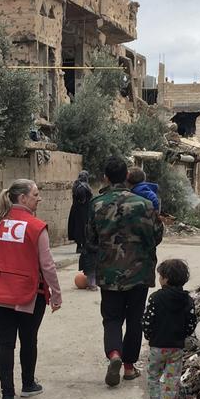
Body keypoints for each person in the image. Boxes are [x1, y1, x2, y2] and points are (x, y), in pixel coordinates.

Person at [0, 179, 62, 399]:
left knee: (5, 342)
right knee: (28, 339)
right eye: (36, 194)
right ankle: (28, 384)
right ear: (23, 198)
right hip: (28, 294)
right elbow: (48, 266)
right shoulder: (36, 227)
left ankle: (7, 396)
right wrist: (56, 294)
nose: (39, 198)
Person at [85, 156, 164, 386]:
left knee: (111, 318)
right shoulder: (145, 204)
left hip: (109, 272)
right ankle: (129, 367)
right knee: (134, 319)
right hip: (139, 272)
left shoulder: (97, 204)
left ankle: (114, 354)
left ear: (105, 178)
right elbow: (157, 236)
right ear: (127, 177)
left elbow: (90, 240)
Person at [141, 259, 197, 399]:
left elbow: (147, 321)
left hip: (158, 346)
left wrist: (150, 335)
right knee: (172, 381)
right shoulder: (188, 300)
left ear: (165, 278)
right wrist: (182, 335)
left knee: (153, 378)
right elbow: (191, 323)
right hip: (176, 348)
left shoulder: (155, 298)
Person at [67, 171, 96, 289]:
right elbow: (83, 199)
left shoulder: (76, 185)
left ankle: (79, 245)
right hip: (83, 211)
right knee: (83, 228)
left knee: (77, 227)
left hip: (76, 210)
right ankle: (82, 244)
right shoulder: (83, 187)